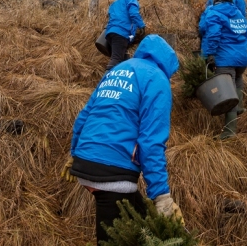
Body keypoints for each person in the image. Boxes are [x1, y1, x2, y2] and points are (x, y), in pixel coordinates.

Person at [62, 35, 183, 244]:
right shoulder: (157, 79)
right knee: (114, 238)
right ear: (168, 64)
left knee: (141, 218)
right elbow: (151, 143)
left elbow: (85, 114)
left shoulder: (117, 70)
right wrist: (161, 196)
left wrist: (75, 155)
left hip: (85, 162)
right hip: (113, 173)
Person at [199, 0, 247, 140]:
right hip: (242, 59)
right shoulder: (238, 13)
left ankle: (229, 131)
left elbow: (211, 34)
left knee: (228, 93)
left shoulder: (213, 12)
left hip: (225, 59)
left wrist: (209, 54)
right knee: (237, 81)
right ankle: (239, 108)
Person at [103, 0, 146, 70]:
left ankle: (125, 78)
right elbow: (133, 14)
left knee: (124, 59)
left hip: (111, 32)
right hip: (121, 33)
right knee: (116, 59)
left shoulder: (116, 2)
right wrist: (142, 26)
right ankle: (106, 80)